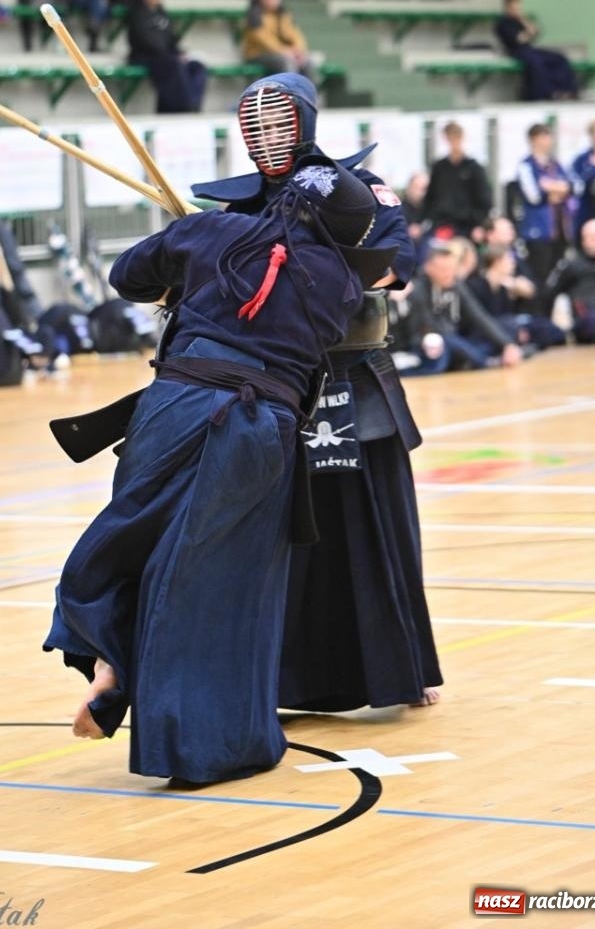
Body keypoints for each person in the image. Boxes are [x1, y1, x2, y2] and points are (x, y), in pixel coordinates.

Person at [43, 156, 393, 784]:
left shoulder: (212, 232)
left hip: (171, 409)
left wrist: (189, 250)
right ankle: (206, 745)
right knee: (219, 589)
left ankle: (109, 654)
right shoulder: (339, 283)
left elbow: (128, 277)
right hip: (256, 434)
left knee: (133, 539)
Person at [191, 73, 443, 712]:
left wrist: (317, 268)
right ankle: (284, 681)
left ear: (303, 121)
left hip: (355, 378)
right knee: (282, 535)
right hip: (275, 381)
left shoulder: (356, 192)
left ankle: (397, 669)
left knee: (372, 524)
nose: (270, 134)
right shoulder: (240, 209)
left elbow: (395, 261)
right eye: (258, 124)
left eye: (280, 121)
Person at [400, 245, 523, 374]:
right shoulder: (418, 290)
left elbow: (479, 315)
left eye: (452, 269)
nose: (449, 273)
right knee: (446, 341)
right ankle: (484, 362)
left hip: (453, 339)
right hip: (424, 344)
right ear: (428, 268)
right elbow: (428, 326)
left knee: (504, 326)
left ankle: (489, 356)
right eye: (443, 269)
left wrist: (507, 344)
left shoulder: (455, 284)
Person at [126, 0, 207, 114]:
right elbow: (145, 41)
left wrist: (180, 52)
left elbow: (171, 38)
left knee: (197, 66)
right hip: (145, 56)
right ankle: (185, 106)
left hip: (167, 55)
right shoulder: (137, 12)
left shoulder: (162, 13)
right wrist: (172, 54)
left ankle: (194, 105)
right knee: (174, 64)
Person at [466, 246, 565, 351]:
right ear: (497, 261)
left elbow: (531, 292)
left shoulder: (505, 287)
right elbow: (481, 318)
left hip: (505, 327)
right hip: (486, 331)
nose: (513, 264)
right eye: (509, 260)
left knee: (547, 328)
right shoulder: (477, 285)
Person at [515, 124, 573, 294]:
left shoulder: (555, 164)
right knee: (538, 274)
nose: (546, 141)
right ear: (533, 140)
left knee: (557, 275)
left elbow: (571, 187)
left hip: (560, 229)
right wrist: (555, 190)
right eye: (542, 137)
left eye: (548, 136)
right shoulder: (526, 165)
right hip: (538, 231)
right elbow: (534, 196)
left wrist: (551, 187)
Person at [545, 219, 595, 344]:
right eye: (587, 237)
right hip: (588, 322)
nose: (591, 241)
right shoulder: (572, 265)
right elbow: (549, 293)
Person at [494, 0, 578, 101]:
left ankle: (566, 91)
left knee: (560, 58)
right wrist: (529, 32)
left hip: (529, 49)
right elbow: (519, 39)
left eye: (519, 7)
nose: (517, 10)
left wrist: (524, 22)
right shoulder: (503, 23)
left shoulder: (521, 21)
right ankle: (545, 94)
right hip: (515, 51)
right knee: (536, 62)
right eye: (514, 7)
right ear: (507, 7)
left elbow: (535, 34)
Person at [423, 122, 492, 240]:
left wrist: (479, 224)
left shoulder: (474, 168)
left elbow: (484, 200)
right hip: (442, 226)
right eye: (450, 138)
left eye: (456, 137)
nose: (453, 142)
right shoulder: (439, 167)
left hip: (467, 227)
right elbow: (430, 196)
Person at [241, 0, 316, 82]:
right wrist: (283, 51)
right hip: (257, 54)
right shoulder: (254, 14)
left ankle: (308, 96)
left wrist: (298, 50)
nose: (273, 0)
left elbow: (295, 34)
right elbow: (262, 39)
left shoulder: (283, 14)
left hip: (283, 53)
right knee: (286, 63)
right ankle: (289, 95)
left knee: (307, 62)